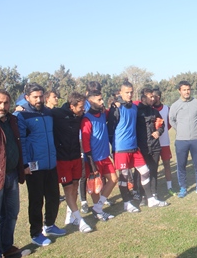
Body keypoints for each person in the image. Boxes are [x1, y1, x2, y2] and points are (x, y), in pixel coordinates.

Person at [15, 83, 66, 246]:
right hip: (33, 166)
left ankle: (49, 225)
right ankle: (36, 233)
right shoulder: (21, 116)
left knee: (53, 197)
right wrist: (24, 164)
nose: (39, 100)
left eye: (40, 96)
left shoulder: (48, 113)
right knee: (36, 200)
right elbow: (21, 142)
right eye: (35, 97)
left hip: (50, 163)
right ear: (27, 98)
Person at [107, 81, 152, 213]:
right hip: (121, 149)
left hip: (134, 147)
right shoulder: (116, 108)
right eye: (126, 92)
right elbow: (110, 129)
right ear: (120, 93)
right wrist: (113, 147)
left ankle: (151, 199)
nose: (129, 94)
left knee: (145, 171)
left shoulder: (134, 107)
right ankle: (127, 203)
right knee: (124, 176)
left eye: (131, 92)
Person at [51, 92, 92, 233]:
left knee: (75, 187)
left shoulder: (79, 116)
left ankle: (71, 216)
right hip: (62, 159)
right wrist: (21, 108)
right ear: (71, 105)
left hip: (76, 156)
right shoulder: (57, 114)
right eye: (80, 107)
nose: (83, 110)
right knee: (68, 190)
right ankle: (81, 221)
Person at [81, 90, 118, 220]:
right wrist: (91, 164)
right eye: (99, 100)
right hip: (93, 159)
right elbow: (85, 144)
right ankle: (98, 211)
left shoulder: (102, 113)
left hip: (105, 157)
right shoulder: (86, 119)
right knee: (96, 187)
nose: (102, 102)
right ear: (90, 102)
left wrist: (115, 104)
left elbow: (111, 113)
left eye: (102, 99)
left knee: (114, 179)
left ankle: (98, 207)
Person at [0, 89, 25, 257]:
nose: (2, 106)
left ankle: (6, 247)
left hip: (12, 175)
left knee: (12, 213)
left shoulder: (12, 121)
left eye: (5, 103)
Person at [169, 81, 197, 198]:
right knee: (181, 165)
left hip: (196, 139)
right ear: (180, 91)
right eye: (184, 90)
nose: (186, 92)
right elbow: (171, 120)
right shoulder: (175, 105)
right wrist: (179, 129)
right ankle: (183, 188)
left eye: (188, 89)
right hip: (181, 140)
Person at [136, 91, 169, 207]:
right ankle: (143, 196)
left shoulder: (155, 112)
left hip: (155, 146)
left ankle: (154, 194)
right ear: (143, 98)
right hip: (142, 147)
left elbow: (162, 125)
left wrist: (158, 132)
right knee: (143, 172)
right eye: (150, 97)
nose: (153, 98)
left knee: (154, 170)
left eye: (154, 96)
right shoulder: (136, 112)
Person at [152, 88, 176, 196]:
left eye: (154, 97)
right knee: (154, 166)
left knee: (167, 164)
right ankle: (154, 189)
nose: (152, 99)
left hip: (165, 142)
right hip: (154, 143)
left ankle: (169, 187)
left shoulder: (167, 109)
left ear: (158, 97)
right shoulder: (150, 109)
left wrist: (163, 131)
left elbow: (169, 124)